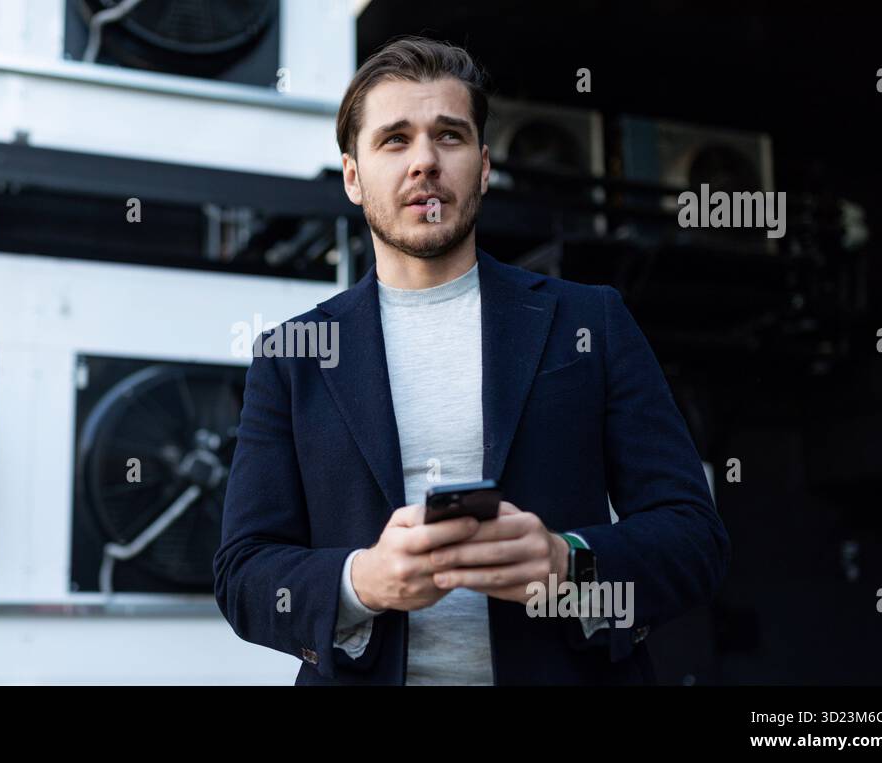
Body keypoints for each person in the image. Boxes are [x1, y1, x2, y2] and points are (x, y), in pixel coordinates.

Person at [213, 35, 730, 685]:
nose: (424, 161)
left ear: (483, 166)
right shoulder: (291, 356)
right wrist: (363, 580)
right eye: (394, 139)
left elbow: (694, 538)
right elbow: (243, 574)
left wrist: (570, 568)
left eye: (449, 136)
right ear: (353, 176)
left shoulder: (590, 320)